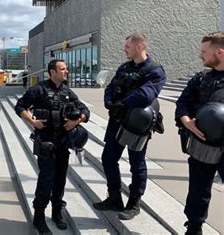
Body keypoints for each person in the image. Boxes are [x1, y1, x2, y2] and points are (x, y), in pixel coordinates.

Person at [93, 33, 166, 220]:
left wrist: (122, 104)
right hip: (117, 120)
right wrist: (109, 100)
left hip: (136, 125)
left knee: (137, 163)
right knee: (108, 158)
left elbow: (146, 94)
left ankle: (134, 203)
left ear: (140, 46)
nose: (124, 49)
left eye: (128, 46)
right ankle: (114, 198)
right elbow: (110, 86)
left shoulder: (155, 70)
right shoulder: (124, 67)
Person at [15, 59, 90, 234]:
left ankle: (57, 213)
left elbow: (85, 110)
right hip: (46, 143)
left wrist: (76, 121)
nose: (66, 72)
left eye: (66, 69)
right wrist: (32, 121)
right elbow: (19, 106)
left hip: (63, 143)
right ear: (52, 72)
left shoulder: (67, 91)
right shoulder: (39, 90)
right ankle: (39, 217)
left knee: (60, 180)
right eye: (62, 69)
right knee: (46, 180)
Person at [175, 32, 224, 235]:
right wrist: (187, 121)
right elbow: (182, 103)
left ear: (219, 52)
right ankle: (194, 228)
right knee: (198, 191)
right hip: (201, 143)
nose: (200, 55)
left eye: (204, 51)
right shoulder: (201, 78)